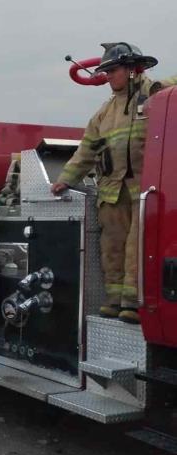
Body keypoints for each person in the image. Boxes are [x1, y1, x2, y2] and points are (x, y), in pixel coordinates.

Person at [51, 42, 177, 324]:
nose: (107, 77)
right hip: (111, 194)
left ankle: (133, 303)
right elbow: (86, 151)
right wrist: (64, 180)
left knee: (138, 247)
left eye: (113, 71)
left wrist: (160, 87)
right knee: (112, 248)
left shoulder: (154, 93)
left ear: (133, 70)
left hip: (144, 192)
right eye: (105, 72)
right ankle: (115, 300)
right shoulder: (103, 113)